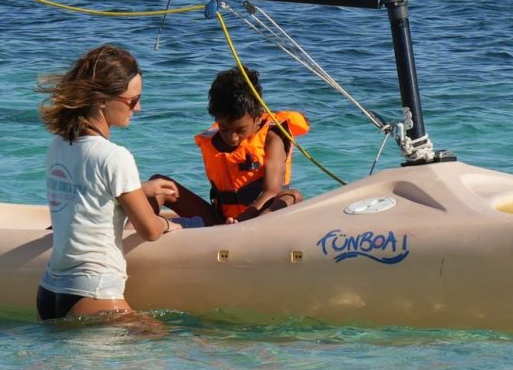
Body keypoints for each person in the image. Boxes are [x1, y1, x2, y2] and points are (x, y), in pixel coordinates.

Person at [35, 44, 180, 321]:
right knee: (166, 346)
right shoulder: (115, 157)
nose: (139, 108)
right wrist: (169, 225)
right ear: (102, 100)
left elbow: (85, 195)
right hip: (94, 290)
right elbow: (149, 230)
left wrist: (141, 190)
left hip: (49, 292)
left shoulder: (58, 145)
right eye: (132, 100)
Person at [151, 66, 309, 225]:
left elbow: (272, 191)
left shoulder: (272, 140)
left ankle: (249, 232)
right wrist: (230, 225)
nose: (232, 138)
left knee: (292, 196)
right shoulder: (213, 141)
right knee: (159, 184)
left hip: (262, 217)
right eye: (224, 129)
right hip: (222, 221)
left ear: (258, 118)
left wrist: (240, 222)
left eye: (241, 130)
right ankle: (138, 233)